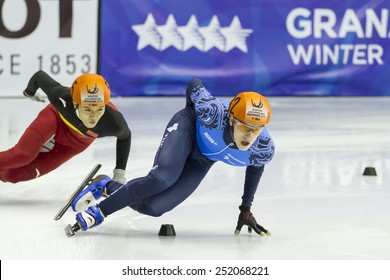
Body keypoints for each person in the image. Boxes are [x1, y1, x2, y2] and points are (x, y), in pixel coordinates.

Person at [70, 78, 275, 235]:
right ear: (231, 119)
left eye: (256, 129)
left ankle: (106, 186)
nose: (249, 135)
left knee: (153, 207)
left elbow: (256, 167)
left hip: (202, 160)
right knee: (161, 180)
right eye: (244, 126)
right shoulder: (211, 112)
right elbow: (194, 85)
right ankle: (97, 213)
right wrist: (189, 113)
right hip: (188, 130)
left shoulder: (263, 148)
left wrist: (245, 209)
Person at [0, 70, 131, 184]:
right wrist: (30, 92)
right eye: (87, 110)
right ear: (74, 103)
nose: (94, 117)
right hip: (56, 118)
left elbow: (125, 137)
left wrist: (119, 173)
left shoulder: (114, 122)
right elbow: (39, 76)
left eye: (99, 109)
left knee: (14, 175)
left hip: (75, 143)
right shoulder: (61, 97)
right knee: (23, 155)